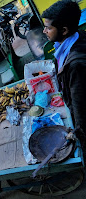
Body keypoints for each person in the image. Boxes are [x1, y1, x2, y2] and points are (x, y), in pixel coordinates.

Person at [42, 0, 86, 147]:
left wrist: (78, 133)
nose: (44, 31)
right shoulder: (76, 36)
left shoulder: (76, 64)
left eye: (48, 28)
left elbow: (80, 108)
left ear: (64, 30)